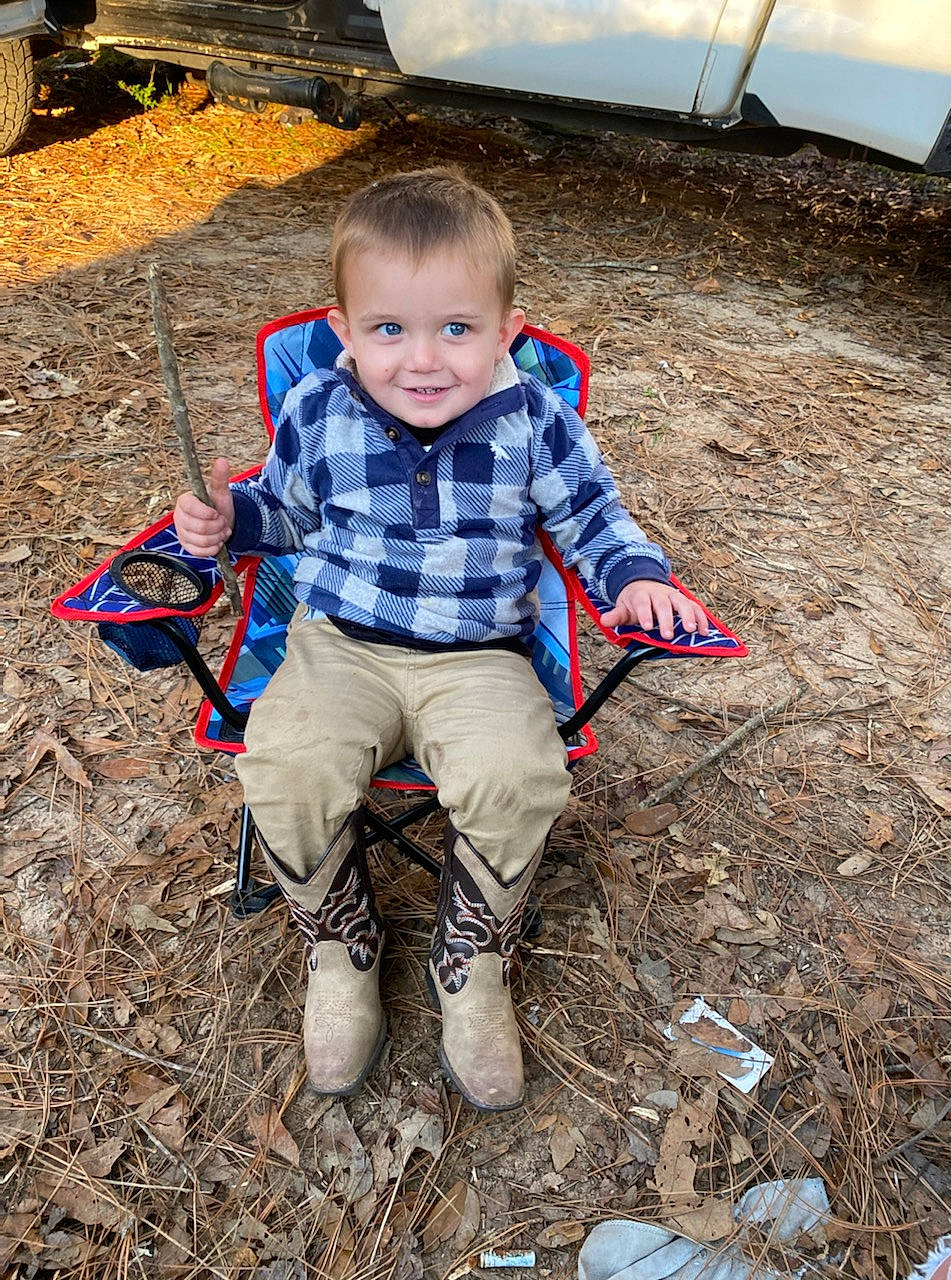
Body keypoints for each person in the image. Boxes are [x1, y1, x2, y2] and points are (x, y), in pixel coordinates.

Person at [174, 167, 708, 1112]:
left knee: (517, 774)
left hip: (479, 655)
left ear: (506, 331)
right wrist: (228, 521)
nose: (423, 360)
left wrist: (636, 578)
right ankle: (339, 947)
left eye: (457, 328)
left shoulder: (535, 421)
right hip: (340, 646)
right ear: (344, 332)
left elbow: (594, 517)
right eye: (389, 329)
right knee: (288, 765)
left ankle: (473, 961)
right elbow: (284, 514)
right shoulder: (318, 410)